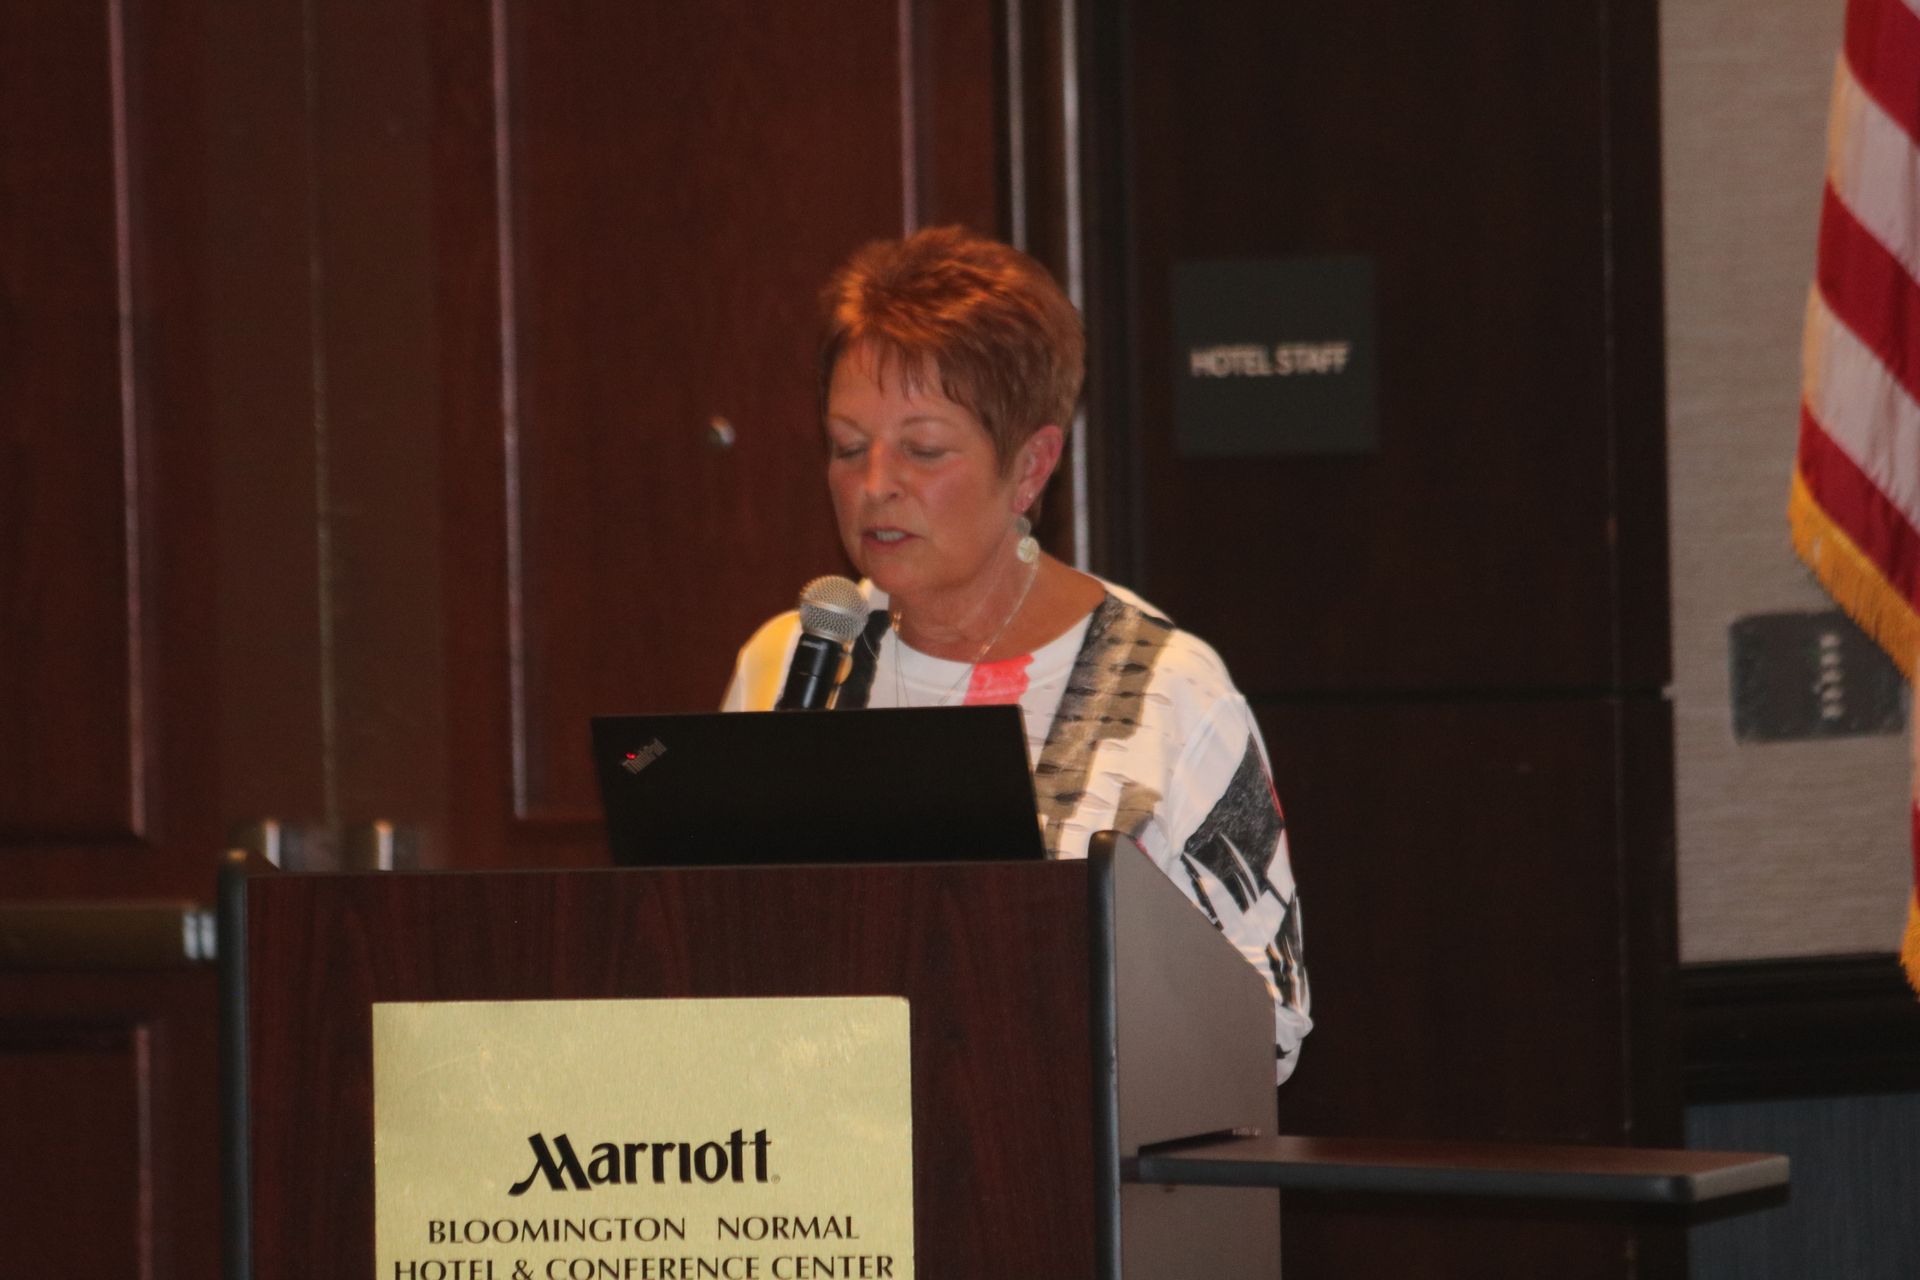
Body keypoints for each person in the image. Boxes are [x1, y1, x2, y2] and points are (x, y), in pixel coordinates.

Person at [723, 226, 1311, 1081]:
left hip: (1064, 1172)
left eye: (922, 449)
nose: (874, 482)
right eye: (848, 446)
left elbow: (1270, 1019)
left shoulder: (1166, 689)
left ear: (1032, 466)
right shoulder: (794, 659)